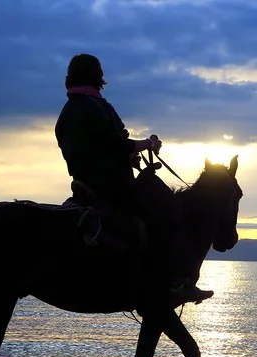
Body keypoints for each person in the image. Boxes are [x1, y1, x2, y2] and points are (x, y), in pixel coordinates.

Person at [54, 53, 213, 307]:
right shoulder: (94, 106)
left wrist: (129, 156)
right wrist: (146, 144)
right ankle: (174, 282)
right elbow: (115, 144)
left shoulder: (68, 111)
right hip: (112, 185)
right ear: (98, 76)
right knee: (169, 211)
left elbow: (94, 149)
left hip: (85, 183)